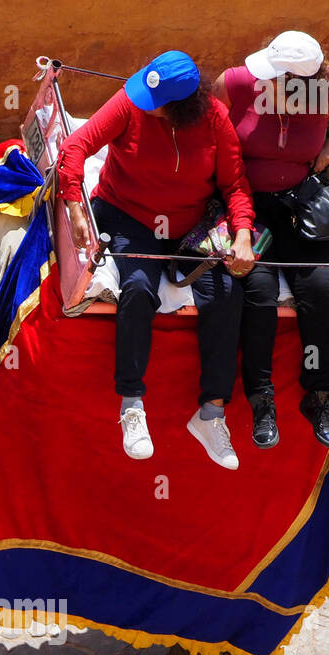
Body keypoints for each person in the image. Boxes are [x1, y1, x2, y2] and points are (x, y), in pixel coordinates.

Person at [57, 51, 256, 468]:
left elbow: (235, 184)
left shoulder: (215, 120)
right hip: (128, 214)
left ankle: (211, 414)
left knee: (224, 292)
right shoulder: (131, 101)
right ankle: (132, 404)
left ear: (185, 108)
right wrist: (75, 204)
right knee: (138, 288)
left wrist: (241, 236)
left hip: (189, 225)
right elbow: (76, 147)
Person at [214, 32, 329, 450]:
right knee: (258, 291)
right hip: (244, 204)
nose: (264, 80)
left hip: (297, 206)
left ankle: (319, 396)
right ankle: (262, 400)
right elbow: (206, 129)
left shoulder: (325, 97)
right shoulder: (237, 83)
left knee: (317, 287)